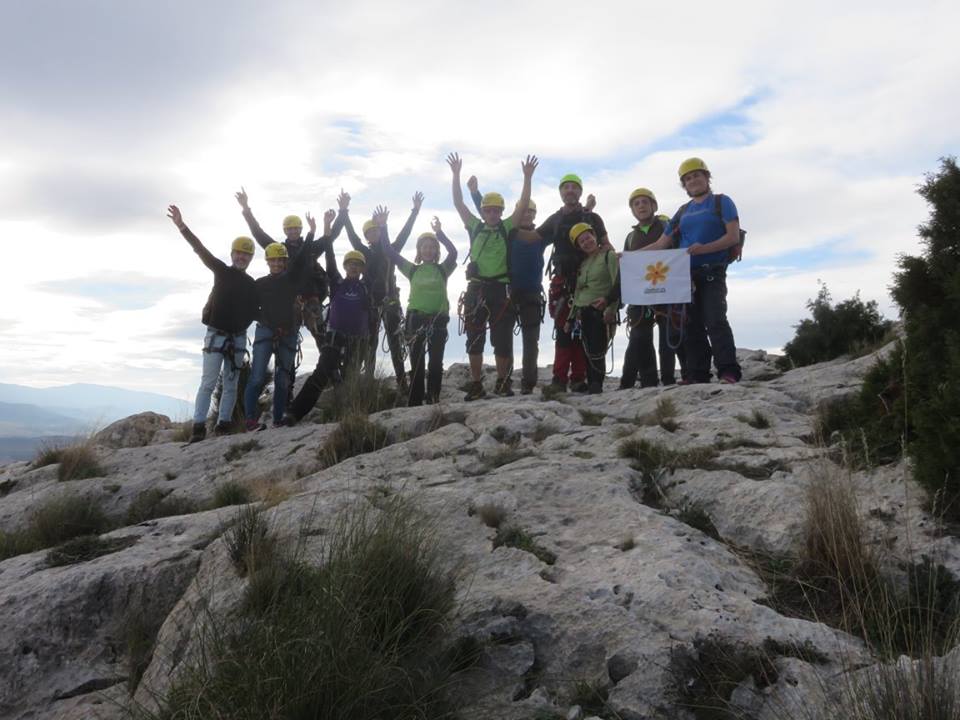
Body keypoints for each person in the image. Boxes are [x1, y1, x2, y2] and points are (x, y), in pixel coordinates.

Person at [447, 152, 538, 400]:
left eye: (496, 210)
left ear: (501, 211)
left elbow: (524, 203)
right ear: (483, 211)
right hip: (477, 288)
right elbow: (458, 203)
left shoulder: (507, 227)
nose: (492, 214)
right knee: (474, 339)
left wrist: (527, 178)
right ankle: (477, 384)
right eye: (488, 210)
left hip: (500, 289)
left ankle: (502, 382)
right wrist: (456, 175)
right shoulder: (475, 226)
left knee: (502, 339)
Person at [644, 157, 742, 384]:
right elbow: (661, 244)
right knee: (690, 324)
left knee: (715, 319)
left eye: (697, 175)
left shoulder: (722, 202)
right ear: (684, 185)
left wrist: (704, 248)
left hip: (713, 271)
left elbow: (732, 237)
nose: (693, 181)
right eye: (687, 179)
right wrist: (628, 256)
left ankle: (728, 370)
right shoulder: (682, 211)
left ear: (707, 178)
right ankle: (698, 373)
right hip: (685, 276)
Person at [167, 205, 259, 443]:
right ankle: (198, 428)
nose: (242, 257)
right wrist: (182, 226)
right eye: (239, 253)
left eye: (246, 254)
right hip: (217, 335)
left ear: (250, 258)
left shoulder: (251, 285)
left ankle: (223, 425)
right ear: (232, 254)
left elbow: (256, 311)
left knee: (231, 384)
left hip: (237, 337)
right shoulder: (221, 270)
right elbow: (200, 249)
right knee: (208, 383)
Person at [516, 173, 606, 393]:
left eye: (574, 187)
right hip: (563, 282)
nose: (570, 191)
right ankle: (559, 379)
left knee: (584, 331)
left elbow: (605, 245)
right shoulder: (555, 220)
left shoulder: (593, 218)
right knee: (564, 330)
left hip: (588, 281)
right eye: (566, 187)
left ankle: (578, 378)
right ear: (561, 192)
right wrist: (508, 228)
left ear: (580, 192)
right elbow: (532, 237)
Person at [245, 212, 330, 430]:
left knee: (282, 377)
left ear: (285, 262)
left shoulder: (292, 278)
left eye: (279, 261)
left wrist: (313, 232)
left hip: (290, 327)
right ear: (268, 261)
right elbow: (251, 307)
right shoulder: (261, 283)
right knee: (257, 378)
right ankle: (250, 420)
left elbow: (303, 256)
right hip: (267, 331)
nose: (276, 263)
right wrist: (246, 210)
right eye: (272, 260)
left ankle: (278, 418)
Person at [330, 190, 422, 391]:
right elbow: (352, 235)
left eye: (376, 231)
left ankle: (402, 382)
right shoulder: (363, 252)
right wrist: (344, 211)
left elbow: (405, 233)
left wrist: (414, 211)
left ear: (381, 231)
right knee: (369, 344)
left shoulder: (391, 249)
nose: (373, 234)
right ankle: (368, 382)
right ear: (366, 236)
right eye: (369, 232)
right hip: (369, 303)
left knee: (395, 343)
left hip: (390, 300)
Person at [468, 178, 549, 395]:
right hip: (507, 289)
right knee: (504, 339)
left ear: (534, 215)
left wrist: (587, 211)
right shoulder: (507, 231)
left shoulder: (539, 236)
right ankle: (506, 380)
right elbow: (488, 214)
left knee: (529, 340)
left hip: (529, 292)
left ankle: (527, 383)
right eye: (524, 211)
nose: (526, 214)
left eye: (530, 212)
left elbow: (559, 229)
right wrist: (475, 193)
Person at [282, 238, 372, 423]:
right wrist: (327, 233)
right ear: (345, 267)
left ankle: (348, 415)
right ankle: (294, 413)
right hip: (334, 337)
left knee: (350, 376)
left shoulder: (366, 287)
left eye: (358, 265)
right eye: (350, 264)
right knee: (321, 373)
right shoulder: (337, 282)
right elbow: (330, 260)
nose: (354, 267)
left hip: (358, 340)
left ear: (363, 269)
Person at [234, 188, 328, 353]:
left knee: (323, 338)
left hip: (311, 300)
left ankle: (331, 366)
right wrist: (246, 209)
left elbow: (328, 240)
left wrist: (331, 220)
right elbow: (258, 233)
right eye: (289, 229)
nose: (293, 231)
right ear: (285, 231)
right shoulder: (278, 249)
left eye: (296, 228)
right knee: (288, 337)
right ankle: (286, 367)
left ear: (301, 230)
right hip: (290, 301)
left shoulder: (310, 247)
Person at [381, 214, 458, 405]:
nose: (428, 250)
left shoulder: (443, 269)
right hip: (415, 320)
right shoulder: (412, 269)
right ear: (419, 250)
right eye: (425, 247)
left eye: (432, 247)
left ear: (436, 251)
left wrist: (439, 233)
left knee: (435, 363)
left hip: (438, 320)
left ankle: (433, 398)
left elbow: (454, 253)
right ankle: (415, 401)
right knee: (417, 364)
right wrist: (383, 227)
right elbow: (389, 252)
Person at [618, 188, 686, 388]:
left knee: (668, 335)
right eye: (636, 203)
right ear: (632, 210)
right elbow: (627, 269)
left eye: (645, 202)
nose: (641, 206)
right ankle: (648, 381)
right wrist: (618, 298)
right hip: (642, 294)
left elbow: (680, 254)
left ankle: (668, 378)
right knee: (640, 336)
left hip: (668, 290)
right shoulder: (631, 237)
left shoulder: (666, 227)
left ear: (654, 206)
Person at [567, 223, 620, 394]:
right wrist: (570, 317)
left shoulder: (609, 256)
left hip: (600, 310)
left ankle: (596, 383)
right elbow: (578, 293)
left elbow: (617, 283)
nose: (586, 242)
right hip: (582, 312)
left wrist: (611, 309)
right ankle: (592, 383)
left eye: (588, 237)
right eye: (582, 241)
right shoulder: (583, 264)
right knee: (587, 349)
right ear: (579, 246)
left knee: (598, 348)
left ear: (595, 236)